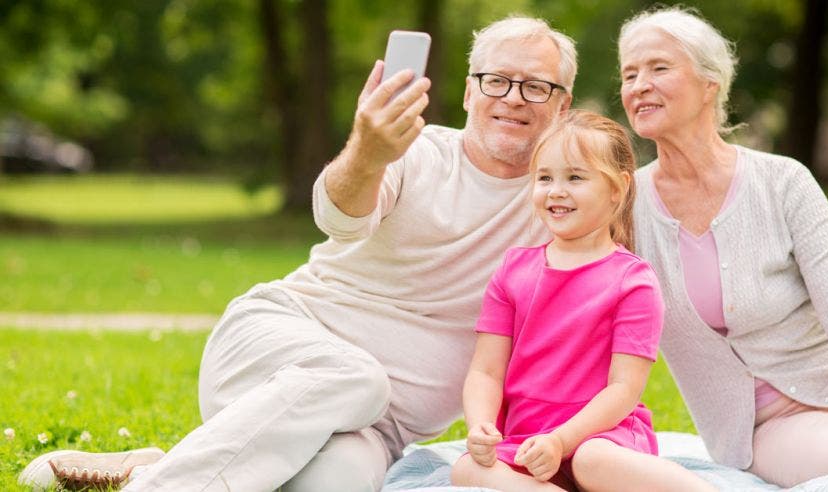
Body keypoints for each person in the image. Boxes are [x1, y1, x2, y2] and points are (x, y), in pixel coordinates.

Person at [19, 16, 574, 492]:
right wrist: (368, 151)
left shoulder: (568, 202)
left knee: (341, 482)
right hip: (273, 346)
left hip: (373, 431)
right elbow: (339, 218)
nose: (513, 98)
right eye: (497, 80)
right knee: (359, 377)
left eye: (535, 87)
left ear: (562, 104)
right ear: (470, 93)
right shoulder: (418, 153)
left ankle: (155, 468)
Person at [617, 6, 828, 488]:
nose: (639, 84)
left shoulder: (784, 181)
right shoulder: (624, 208)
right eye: (629, 73)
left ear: (710, 84)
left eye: (659, 68)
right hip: (765, 428)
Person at [450, 110, 715, 491]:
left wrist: (563, 441)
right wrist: (479, 426)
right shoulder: (513, 270)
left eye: (575, 177)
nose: (556, 190)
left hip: (604, 437)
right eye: (544, 178)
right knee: (465, 470)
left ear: (617, 189)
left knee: (592, 461)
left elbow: (623, 390)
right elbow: (486, 371)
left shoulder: (631, 281)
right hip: (529, 444)